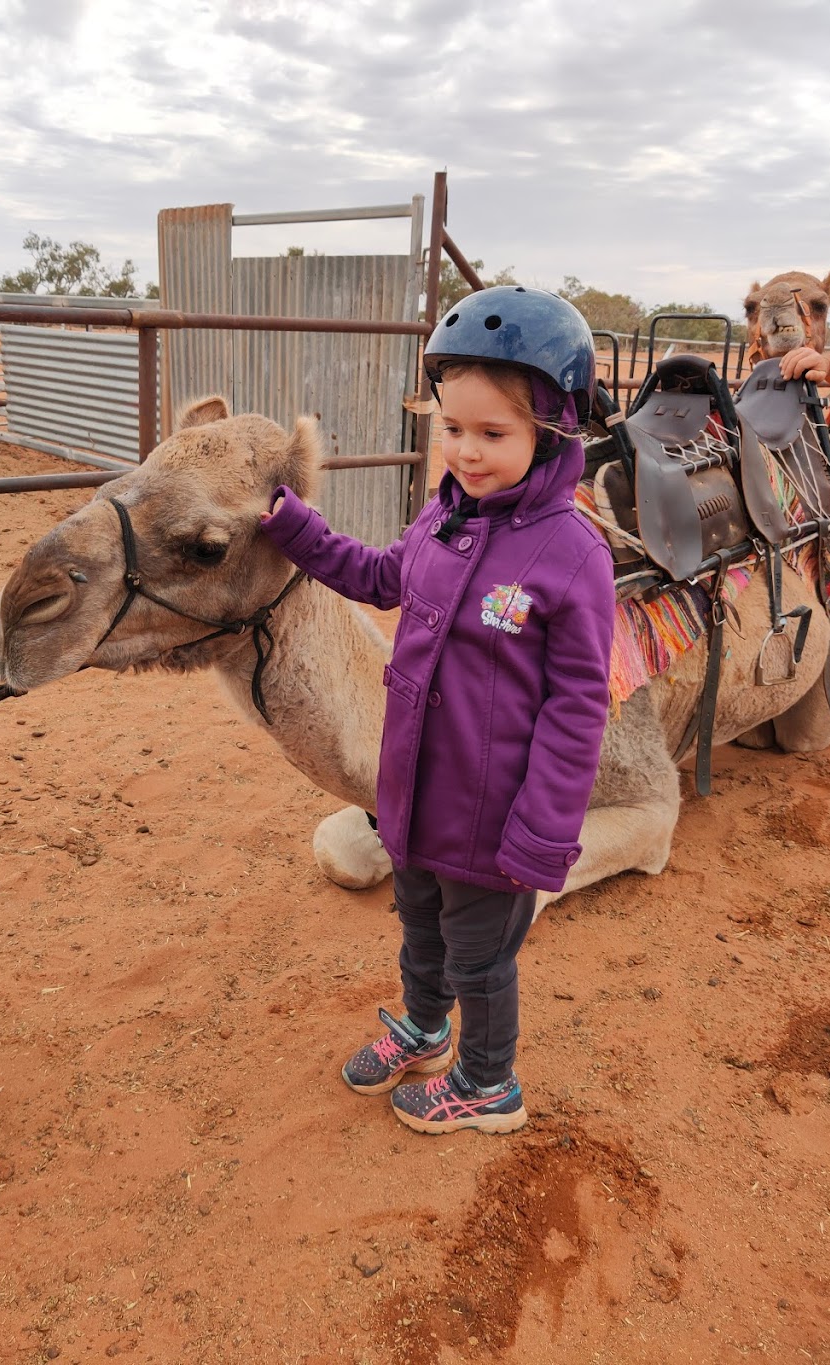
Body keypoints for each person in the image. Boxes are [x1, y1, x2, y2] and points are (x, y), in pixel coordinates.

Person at [259, 286, 616, 1136]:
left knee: (482, 959)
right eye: (452, 428)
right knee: (420, 926)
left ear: (555, 431)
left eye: (494, 434)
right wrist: (298, 531)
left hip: (495, 820)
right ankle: (423, 1027)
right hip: (414, 791)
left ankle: (490, 1082)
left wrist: (542, 834)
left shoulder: (574, 558)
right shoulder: (441, 519)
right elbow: (382, 577)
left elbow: (577, 713)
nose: (467, 450)